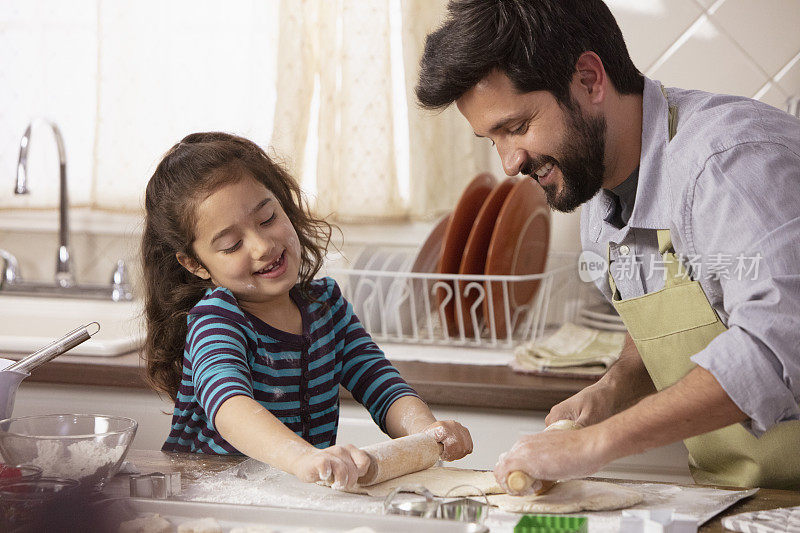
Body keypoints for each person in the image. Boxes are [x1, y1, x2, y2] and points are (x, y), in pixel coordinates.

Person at [416, 0, 800, 491]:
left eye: (516, 127)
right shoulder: (596, 192)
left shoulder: (730, 164)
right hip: (741, 500)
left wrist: (594, 445)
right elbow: (679, 318)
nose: (509, 162)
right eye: (492, 139)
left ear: (590, 79)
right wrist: (610, 391)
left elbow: (775, 348)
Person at [141, 132, 473, 490]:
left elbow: (381, 384)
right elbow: (230, 406)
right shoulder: (216, 321)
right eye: (232, 244)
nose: (263, 245)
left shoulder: (326, 308)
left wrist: (426, 432)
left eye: (268, 218)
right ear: (195, 264)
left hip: (287, 494)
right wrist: (303, 457)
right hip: (208, 499)